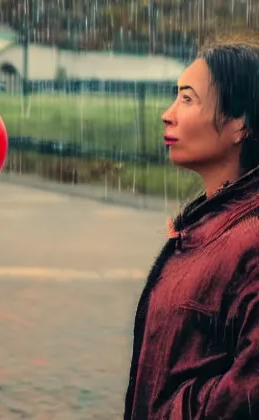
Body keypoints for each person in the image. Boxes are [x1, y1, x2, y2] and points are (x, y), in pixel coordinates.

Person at [124, 41, 259, 419]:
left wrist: (175, 412)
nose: (168, 115)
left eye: (188, 99)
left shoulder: (249, 240)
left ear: (240, 124)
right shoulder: (210, 225)